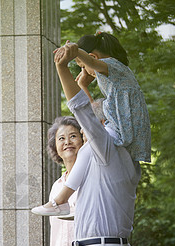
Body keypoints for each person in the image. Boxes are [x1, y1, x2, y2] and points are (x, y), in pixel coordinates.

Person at [51, 38, 140, 246]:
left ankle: (58, 200)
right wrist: (82, 82)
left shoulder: (105, 148)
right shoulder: (129, 154)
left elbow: (82, 110)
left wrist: (63, 67)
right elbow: (92, 113)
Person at [32, 32, 150, 216]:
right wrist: (83, 86)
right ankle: (71, 203)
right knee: (90, 144)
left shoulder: (114, 66)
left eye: (82, 66)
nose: (84, 71)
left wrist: (76, 52)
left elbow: (93, 65)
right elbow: (91, 115)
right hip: (118, 130)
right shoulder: (113, 80)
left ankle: (61, 200)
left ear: (92, 57)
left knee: (87, 149)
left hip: (120, 131)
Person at [46, 116, 84, 246]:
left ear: (83, 140)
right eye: (61, 138)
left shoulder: (92, 177)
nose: (67, 142)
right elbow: (56, 232)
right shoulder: (56, 186)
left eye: (73, 136)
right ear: (55, 147)